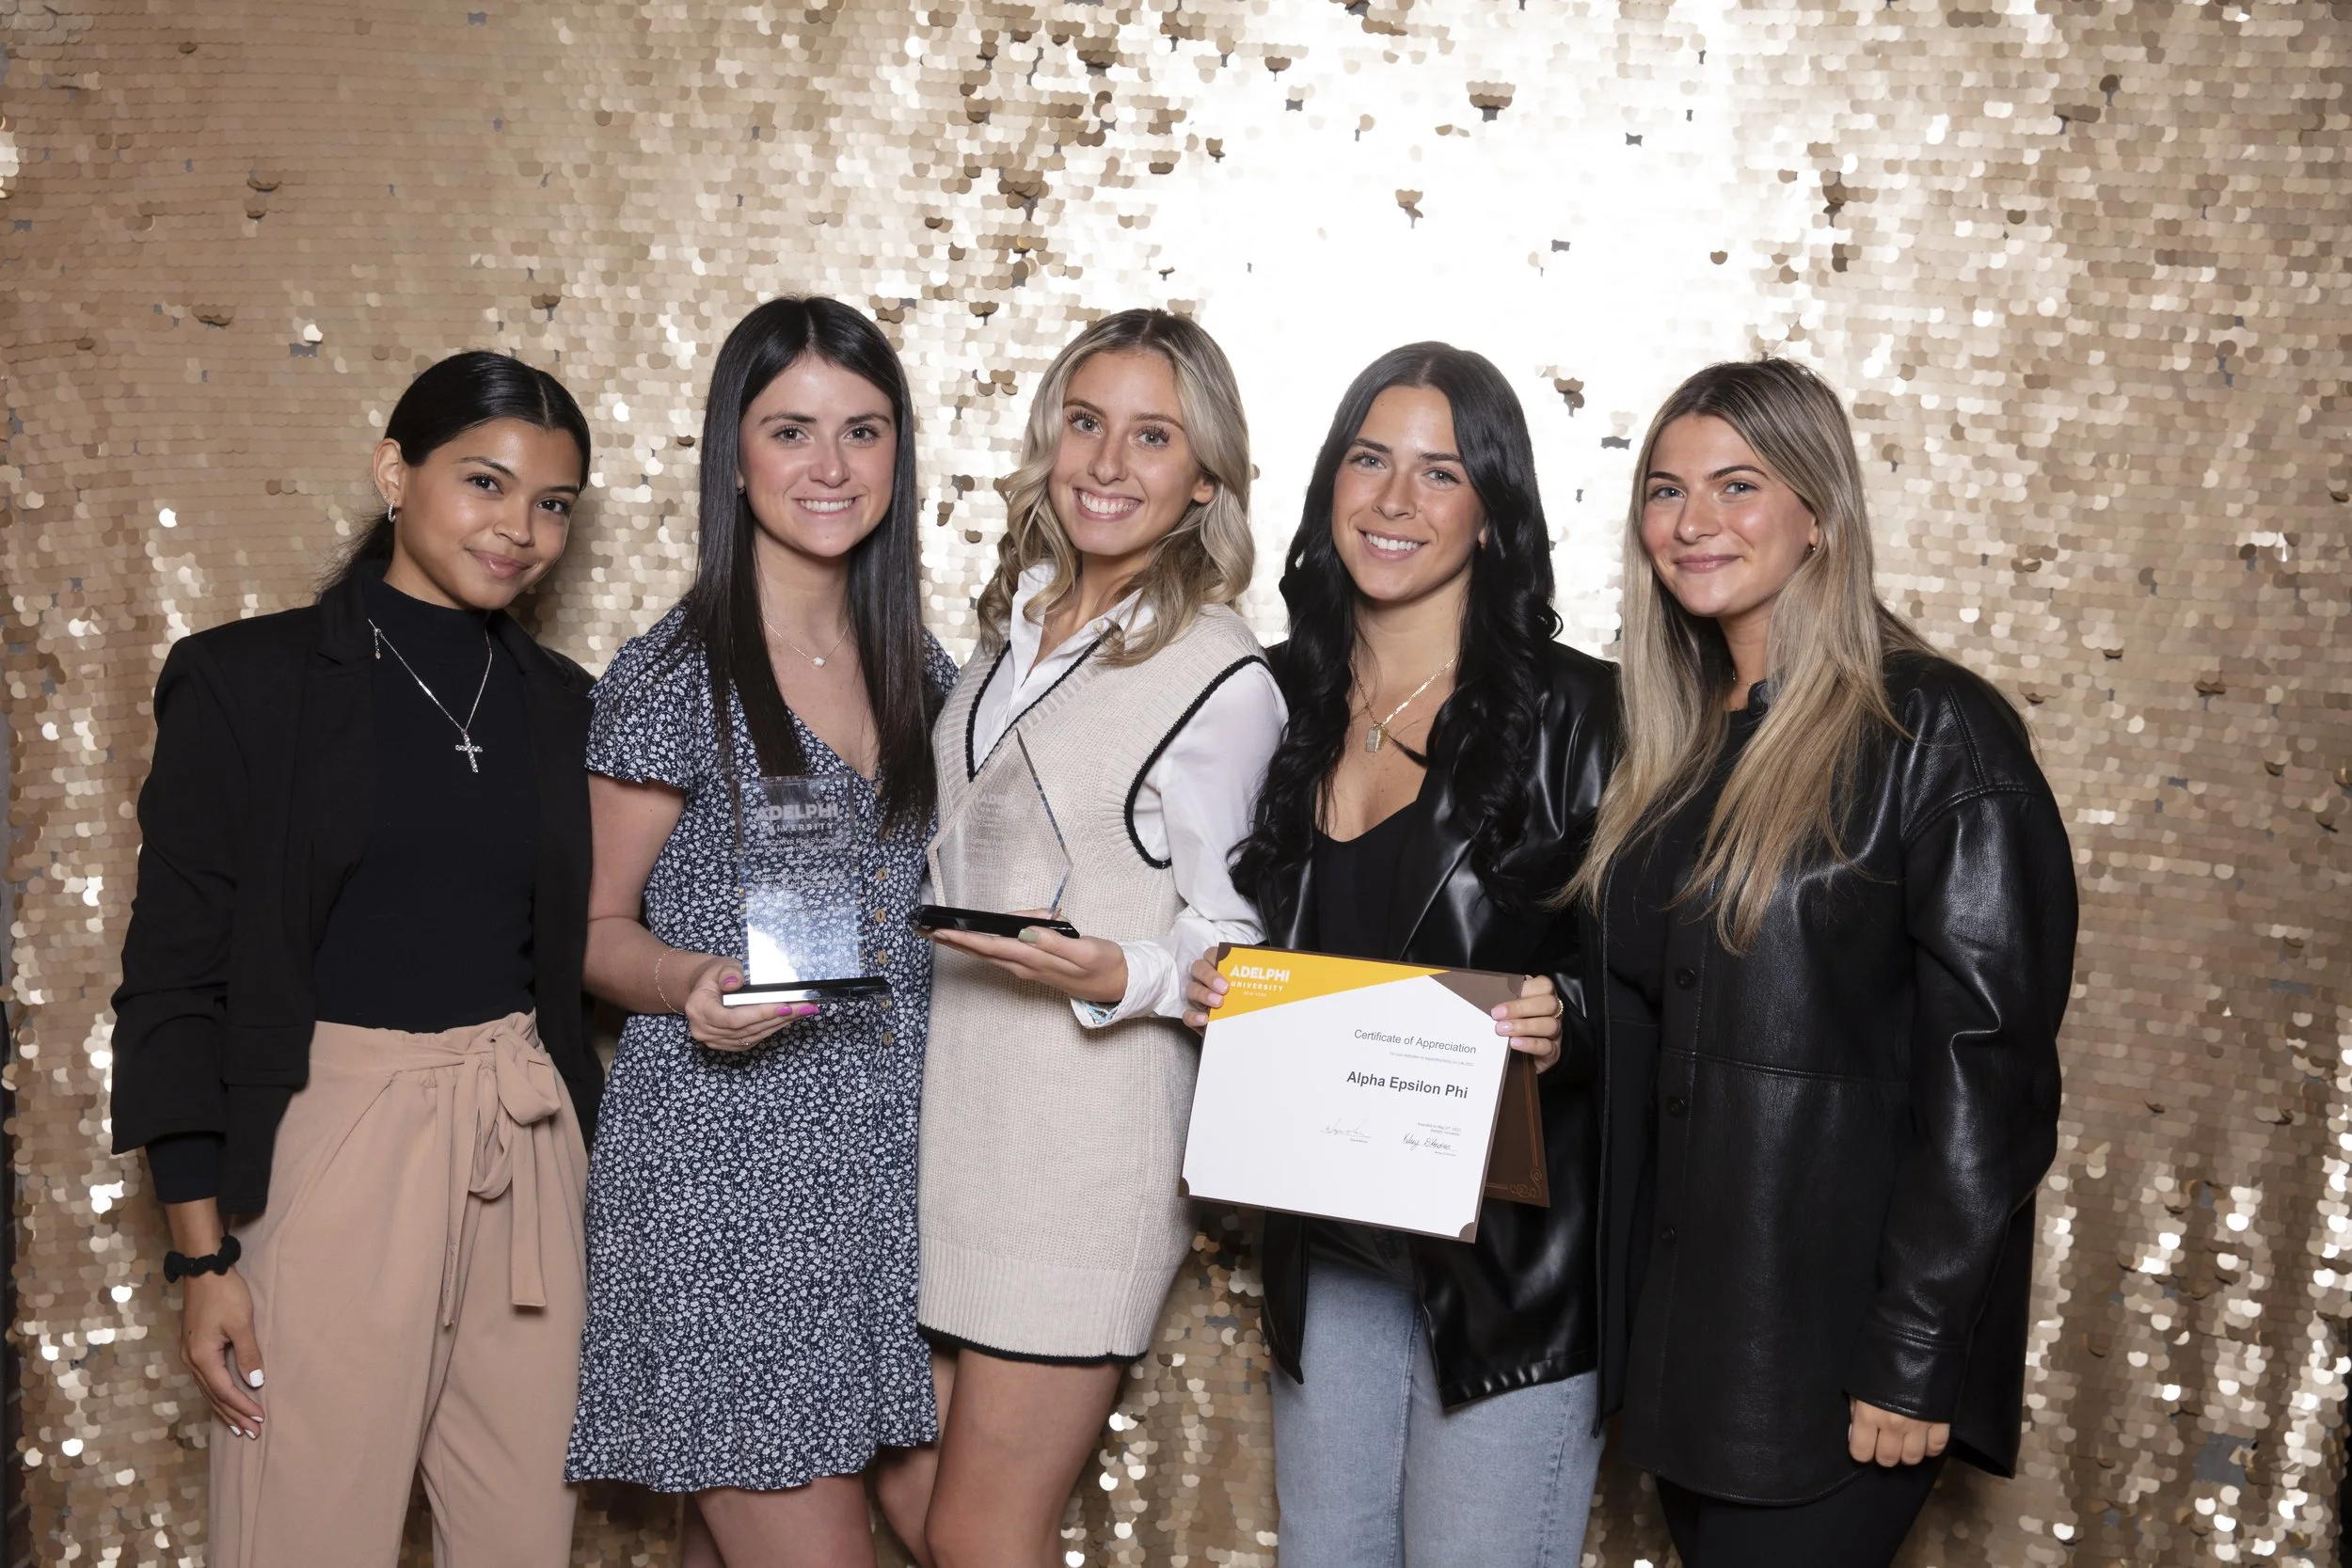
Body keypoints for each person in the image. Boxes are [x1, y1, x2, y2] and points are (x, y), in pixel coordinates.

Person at [1566, 358, 2074, 1567]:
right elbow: (1661, 1023)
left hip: (1836, 1359)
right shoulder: (1676, 747)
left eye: (1736, 485)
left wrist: (1911, 1355)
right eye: (1664, 489)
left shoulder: (1936, 732)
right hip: (1690, 1350)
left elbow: (1987, 1082)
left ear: (1821, 510)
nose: (1692, 523)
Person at [110, 351, 603, 1566]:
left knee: (522, 1541)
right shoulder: (244, 682)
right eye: (485, 482)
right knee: (303, 1538)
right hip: (332, 1138)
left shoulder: (564, 703)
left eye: (552, 504)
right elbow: (174, 980)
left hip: (525, 1145)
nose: (520, 529)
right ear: (394, 471)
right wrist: (200, 1250)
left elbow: (582, 952)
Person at [1184, 343, 1617, 1568]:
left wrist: (1568, 1014)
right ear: (1329, 481)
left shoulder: (1588, 717)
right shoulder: (1269, 702)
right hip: (1331, 1247)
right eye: (1369, 459)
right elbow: (1201, 906)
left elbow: (1668, 983)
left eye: (1441, 471)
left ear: (1494, 512)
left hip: (1510, 1270)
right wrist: (1211, 970)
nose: (1393, 498)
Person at [562, 297, 953, 1567]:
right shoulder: (673, 674)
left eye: (863, 430)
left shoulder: (929, 674)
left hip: (883, 1183)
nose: (830, 468)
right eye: (791, 430)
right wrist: (687, 982)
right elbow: (589, 928)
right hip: (727, 1189)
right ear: (733, 455)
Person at [906, 308, 1282, 1568]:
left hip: (1083, 1150)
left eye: (1152, 436)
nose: (1109, 463)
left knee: (975, 1533)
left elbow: (1237, 950)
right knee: (913, 1508)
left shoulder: (1222, 674)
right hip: (960, 1125)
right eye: (1086, 423)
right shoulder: (1012, 629)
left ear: (1203, 480)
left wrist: (1120, 969)